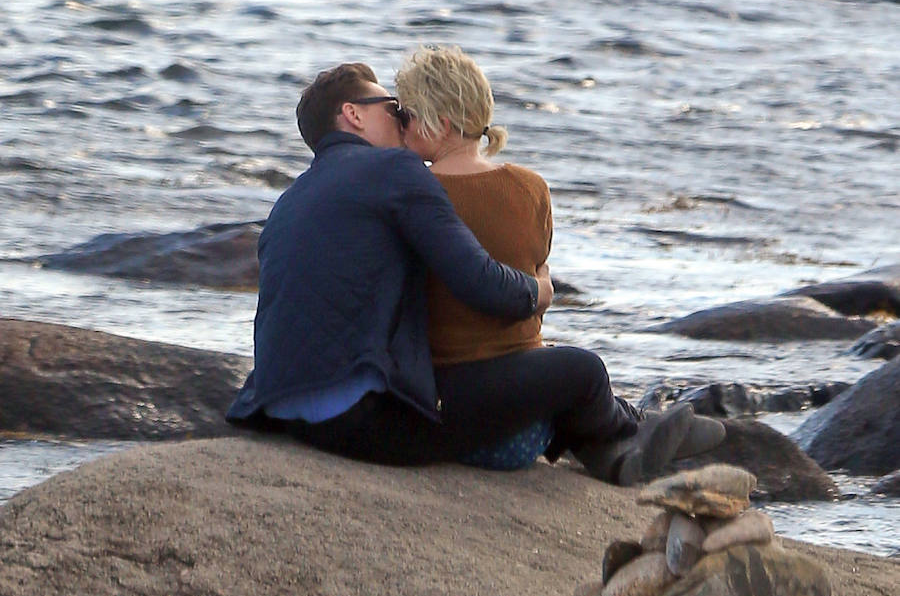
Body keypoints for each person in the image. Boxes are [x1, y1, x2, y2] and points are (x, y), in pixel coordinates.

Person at [393, 45, 724, 482]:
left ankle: (621, 451)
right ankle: (640, 427)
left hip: (460, 406)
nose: (400, 127)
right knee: (581, 370)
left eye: (406, 116)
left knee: (565, 371)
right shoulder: (530, 188)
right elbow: (536, 284)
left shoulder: (409, 193)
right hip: (517, 424)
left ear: (442, 123)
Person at [226, 62, 556, 466]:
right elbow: (481, 284)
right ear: (354, 114)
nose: (405, 122)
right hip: (359, 419)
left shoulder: (290, 200)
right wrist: (539, 290)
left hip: (274, 410)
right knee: (579, 373)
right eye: (395, 109)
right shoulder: (394, 170)